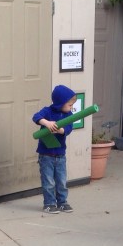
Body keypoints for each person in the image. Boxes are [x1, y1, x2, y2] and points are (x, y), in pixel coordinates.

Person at [33, 85, 77, 214]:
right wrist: (47, 123)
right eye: (69, 105)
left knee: (61, 181)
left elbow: (68, 128)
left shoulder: (69, 115)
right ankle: (49, 204)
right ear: (60, 103)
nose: (71, 107)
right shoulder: (47, 111)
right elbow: (36, 117)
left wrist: (60, 129)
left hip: (60, 155)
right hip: (46, 155)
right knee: (48, 182)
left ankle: (62, 202)